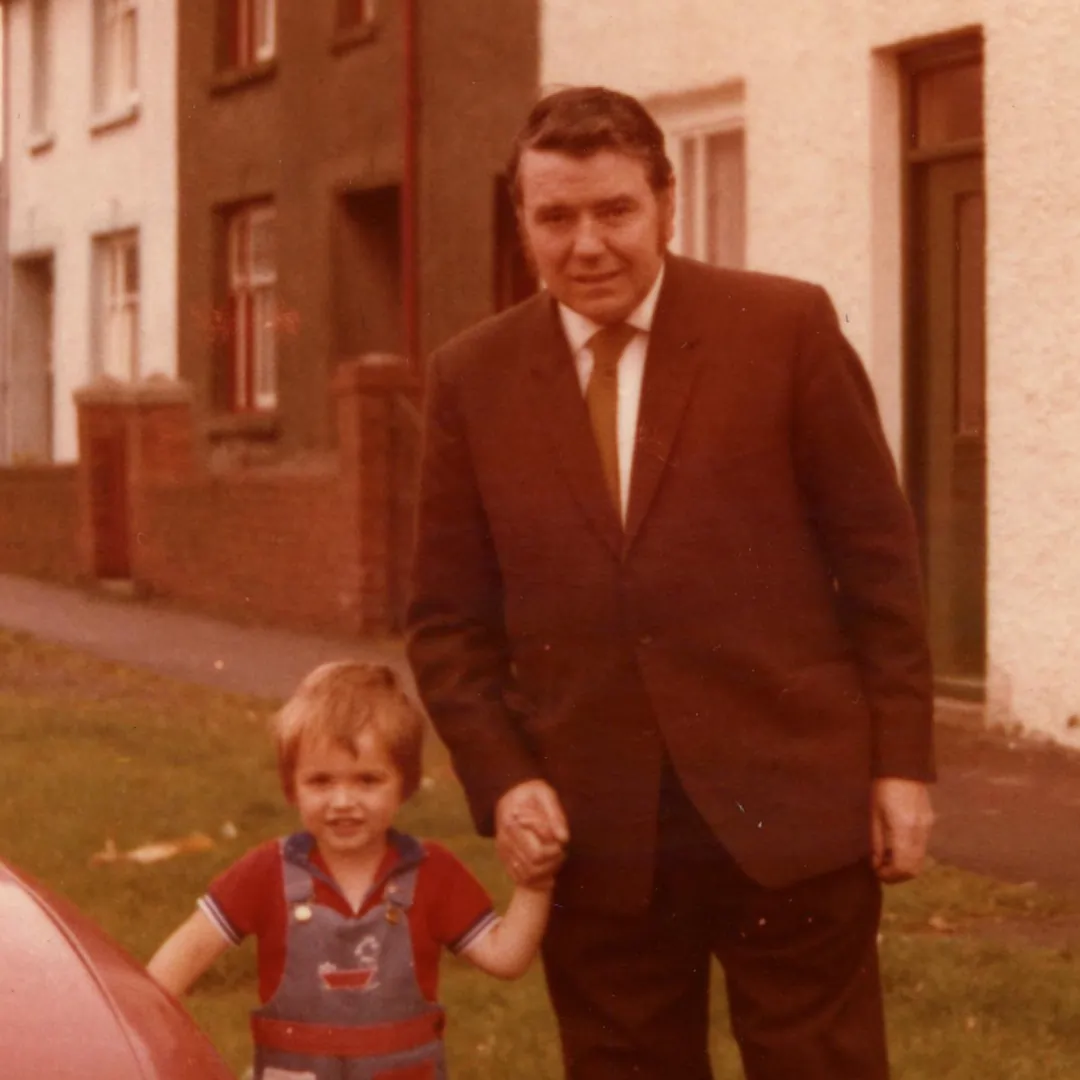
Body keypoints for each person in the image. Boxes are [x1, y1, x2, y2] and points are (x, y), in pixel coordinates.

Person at [406, 85, 936, 1080]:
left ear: (666, 204)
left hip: (792, 804)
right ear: (522, 222)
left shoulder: (783, 328)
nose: (587, 245)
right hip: (597, 830)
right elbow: (446, 623)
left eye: (614, 211)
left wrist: (901, 762)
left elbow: (879, 561)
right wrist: (508, 777)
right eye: (555, 217)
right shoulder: (472, 378)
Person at [147, 661, 553, 1080]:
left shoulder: (434, 873)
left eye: (367, 781)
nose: (342, 801)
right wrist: (142, 1035)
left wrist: (535, 884)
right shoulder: (264, 872)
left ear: (405, 784)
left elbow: (507, 957)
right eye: (321, 781)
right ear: (292, 787)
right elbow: (182, 956)